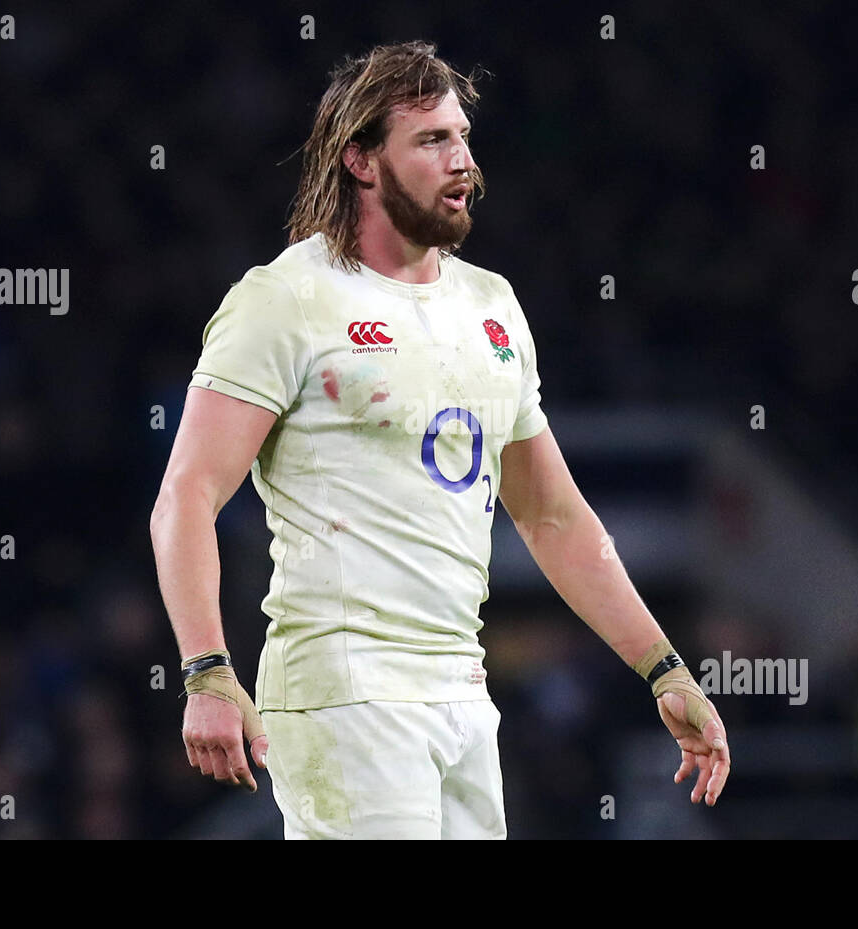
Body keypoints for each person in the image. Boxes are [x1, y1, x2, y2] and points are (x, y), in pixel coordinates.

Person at [149, 40, 730, 839]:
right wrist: (208, 669)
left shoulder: (491, 306)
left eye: (462, 137)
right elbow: (188, 494)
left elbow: (554, 516)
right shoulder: (285, 300)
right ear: (360, 159)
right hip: (347, 690)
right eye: (431, 141)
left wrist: (663, 666)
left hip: (462, 691)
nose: (463, 162)